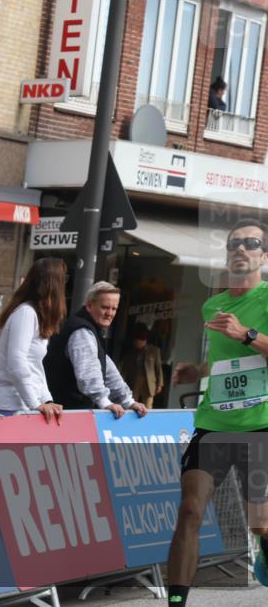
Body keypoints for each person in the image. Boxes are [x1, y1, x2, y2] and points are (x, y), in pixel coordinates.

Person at [166, 218, 268, 604]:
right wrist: (198, 370)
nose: (241, 249)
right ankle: (177, 601)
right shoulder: (213, 303)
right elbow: (228, 362)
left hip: (261, 425)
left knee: (260, 523)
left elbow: (247, 344)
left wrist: (248, 334)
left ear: (264, 255)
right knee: (190, 509)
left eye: (251, 243)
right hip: (213, 423)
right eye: (234, 243)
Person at [43, 281, 149, 419]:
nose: (109, 313)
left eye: (114, 309)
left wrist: (128, 401)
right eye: (105, 307)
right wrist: (104, 401)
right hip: (65, 415)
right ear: (89, 305)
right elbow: (89, 372)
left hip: (68, 413)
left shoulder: (90, 330)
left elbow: (108, 370)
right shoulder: (82, 331)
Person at [0, 258, 67, 423]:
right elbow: (16, 360)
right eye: (63, 279)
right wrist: (36, 403)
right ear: (53, 284)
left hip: (23, 406)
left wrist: (46, 400)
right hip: (9, 407)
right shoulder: (26, 313)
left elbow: (35, 367)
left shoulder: (36, 316)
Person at [119, 323, 163, 408]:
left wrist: (160, 384)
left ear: (144, 341)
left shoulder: (154, 351)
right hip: (134, 379)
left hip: (149, 381)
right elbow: (125, 369)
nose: (137, 343)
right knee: (132, 403)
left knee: (148, 405)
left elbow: (158, 368)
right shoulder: (130, 352)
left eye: (139, 342)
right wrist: (121, 382)